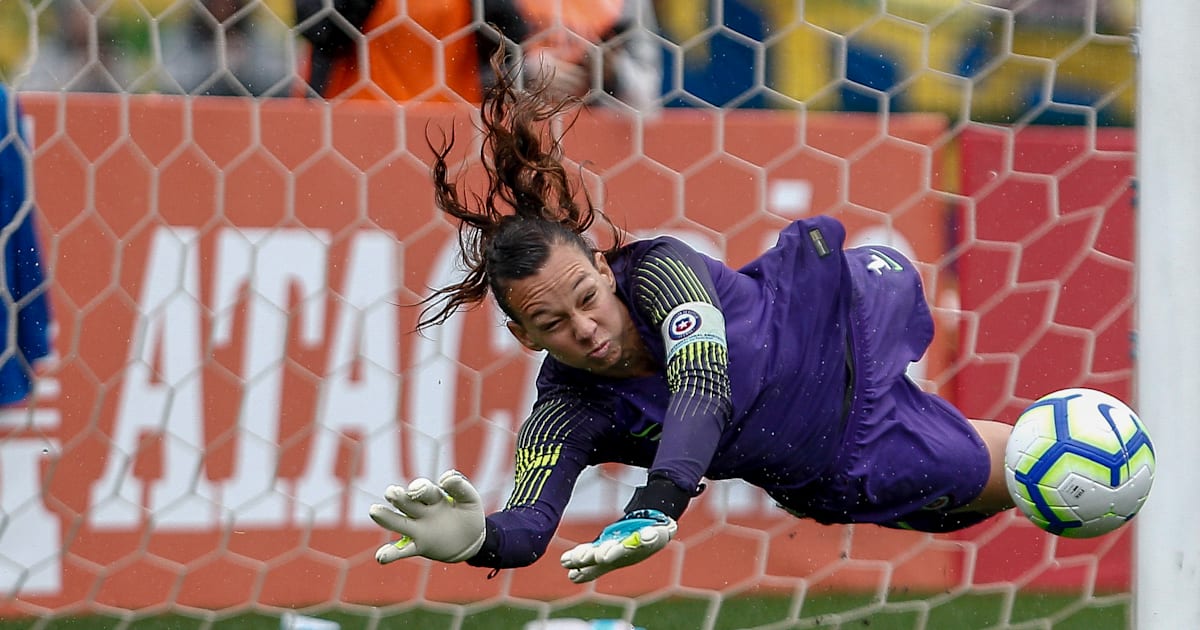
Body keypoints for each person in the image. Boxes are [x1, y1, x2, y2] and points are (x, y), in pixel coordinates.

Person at [367, 56, 1016, 584]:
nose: (586, 328)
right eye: (553, 322)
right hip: (835, 461)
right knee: (1015, 485)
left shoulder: (658, 270)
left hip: (842, 316)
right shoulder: (567, 412)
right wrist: (478, 540)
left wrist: (657, 503)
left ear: (601, 266)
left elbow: (704, 381)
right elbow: (529, 527)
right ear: (524, 337)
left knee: (1036, 466)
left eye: (587, 299)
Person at [293, 0, 661, 111]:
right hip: (353, 129)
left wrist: (605, 77)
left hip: (448, 140)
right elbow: (320, 31)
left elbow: (503, 51)